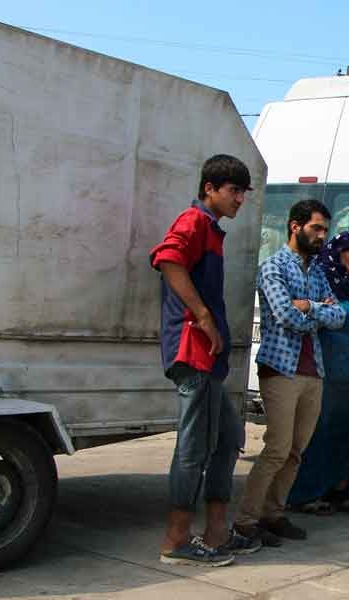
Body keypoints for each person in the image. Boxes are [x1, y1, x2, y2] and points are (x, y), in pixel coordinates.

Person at [150, 154, 259, 566]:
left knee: (229, 439)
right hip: (190, 350)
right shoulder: (193, 221)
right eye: (233, 191)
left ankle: (216, 532)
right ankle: (176, 539)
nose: (240, 200)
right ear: (209, 188)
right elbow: (168, 259)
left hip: (209, 357)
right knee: (193, 448)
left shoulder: (213, 231)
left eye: (243, 192)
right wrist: (202, 314)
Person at [234, 199, 346, 543]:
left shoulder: (317, 271)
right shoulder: (273, 268)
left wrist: (309, 306)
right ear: (295, 226)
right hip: (281, 368)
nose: (322, 236)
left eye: (325, 230)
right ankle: (245, 520)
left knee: (296, 451)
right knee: (277, 449)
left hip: (314, 372)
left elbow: (340, 315)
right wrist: (317, 312)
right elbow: (285, 316)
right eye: (316, 228)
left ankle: (273, 514)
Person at [286, 231, 349, 516]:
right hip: (330, 373)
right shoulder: (323, 281)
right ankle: (308, 493)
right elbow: (314, 316)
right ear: (338, 253)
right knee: (321, 432)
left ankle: (344, 492)